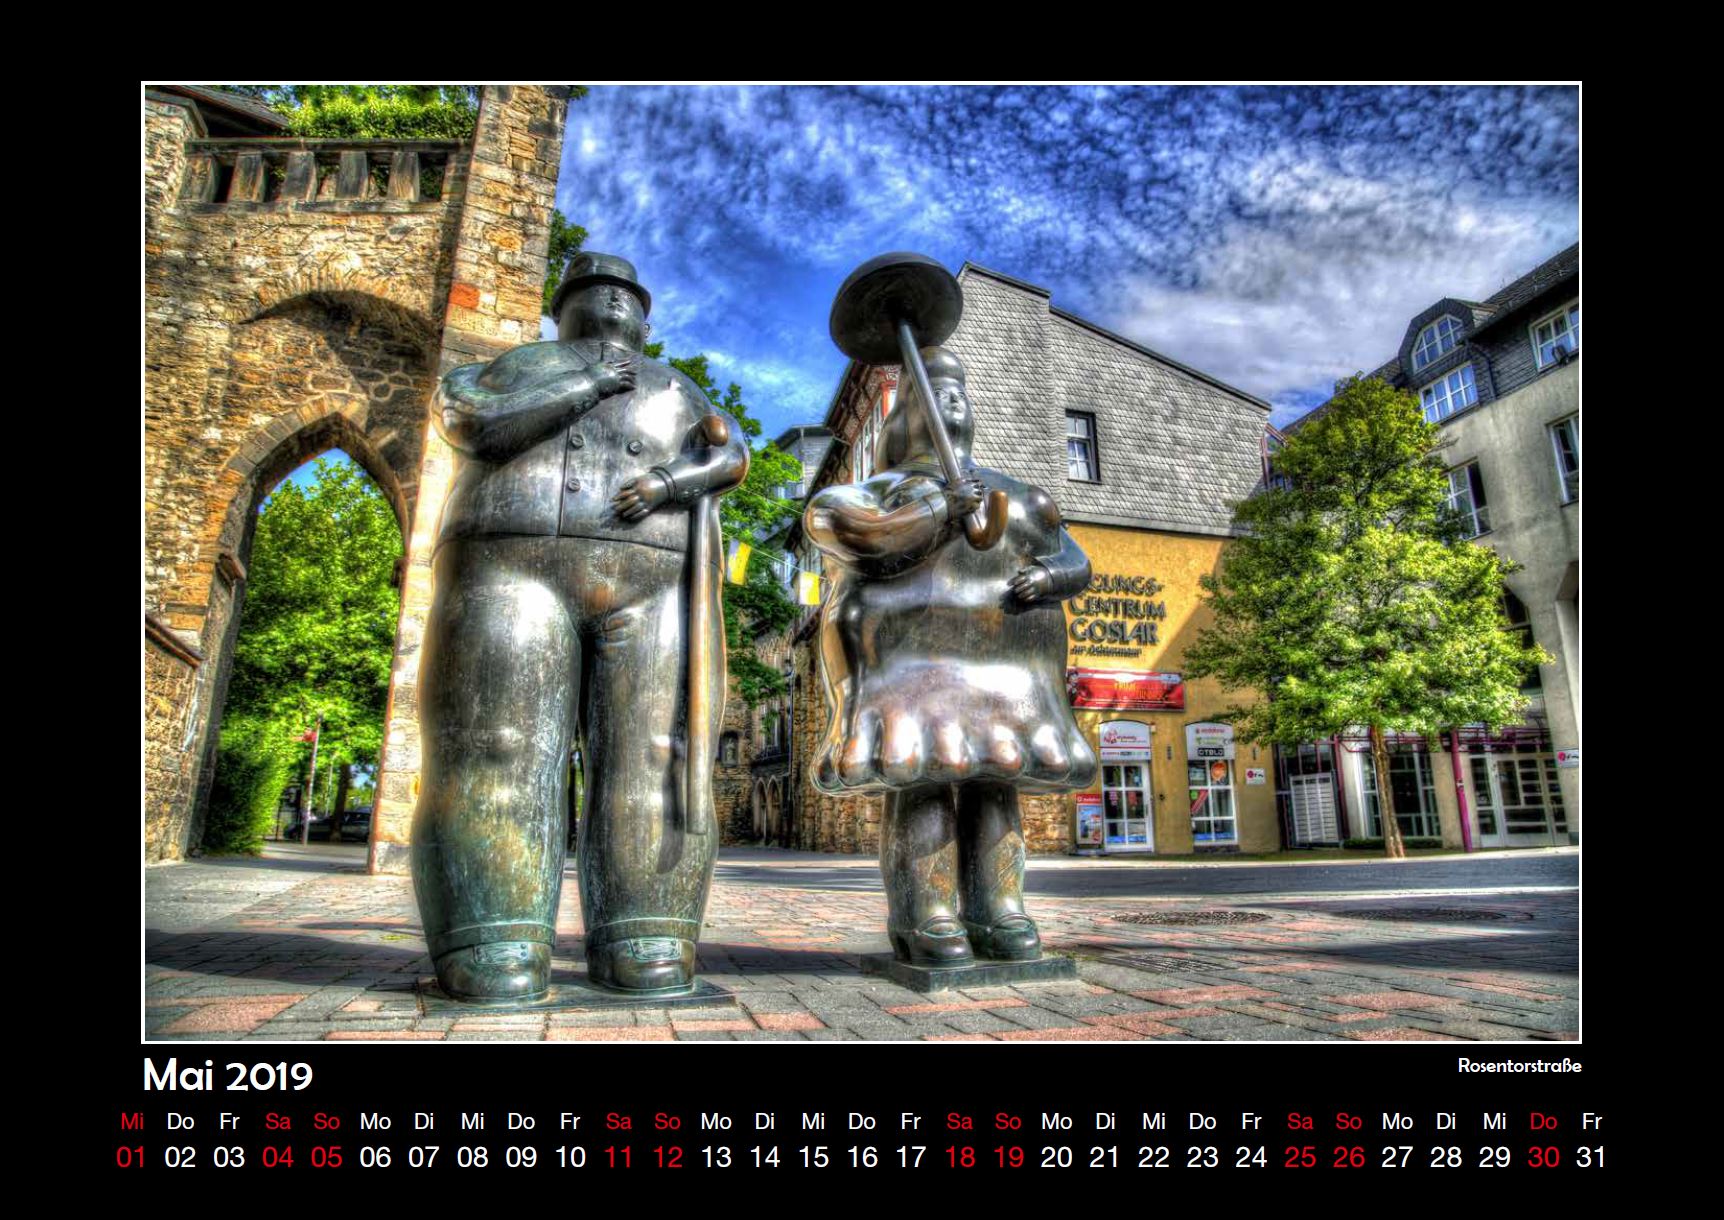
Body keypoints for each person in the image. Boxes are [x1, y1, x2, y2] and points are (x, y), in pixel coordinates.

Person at [413, 253, 748, 999]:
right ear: (560, 305)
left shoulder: (680, 387)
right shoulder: (515, 365)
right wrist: (587, 383)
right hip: (509, 555)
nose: (616, 304)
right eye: (598, 291)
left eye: (629, 297)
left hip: (657, 577)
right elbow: (469, 420)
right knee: (496, 742)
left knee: (656, 753)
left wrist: (670, 480)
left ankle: (645, 927)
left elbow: (730, 456)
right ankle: (492, 932)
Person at [804, 346, 1096, 965]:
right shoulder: (871, 494)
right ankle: (925, 914)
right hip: (913, 669)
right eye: (934, 395)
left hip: (1007, 672)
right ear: (906, 416)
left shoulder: (1020, 496)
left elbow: (1072, 560)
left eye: (959, 393)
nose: (953, 402)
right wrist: (940, 508)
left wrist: (1049, 577)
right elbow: (855, 536)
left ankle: (1000, 908)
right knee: (924, 781)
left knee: (995, 784)